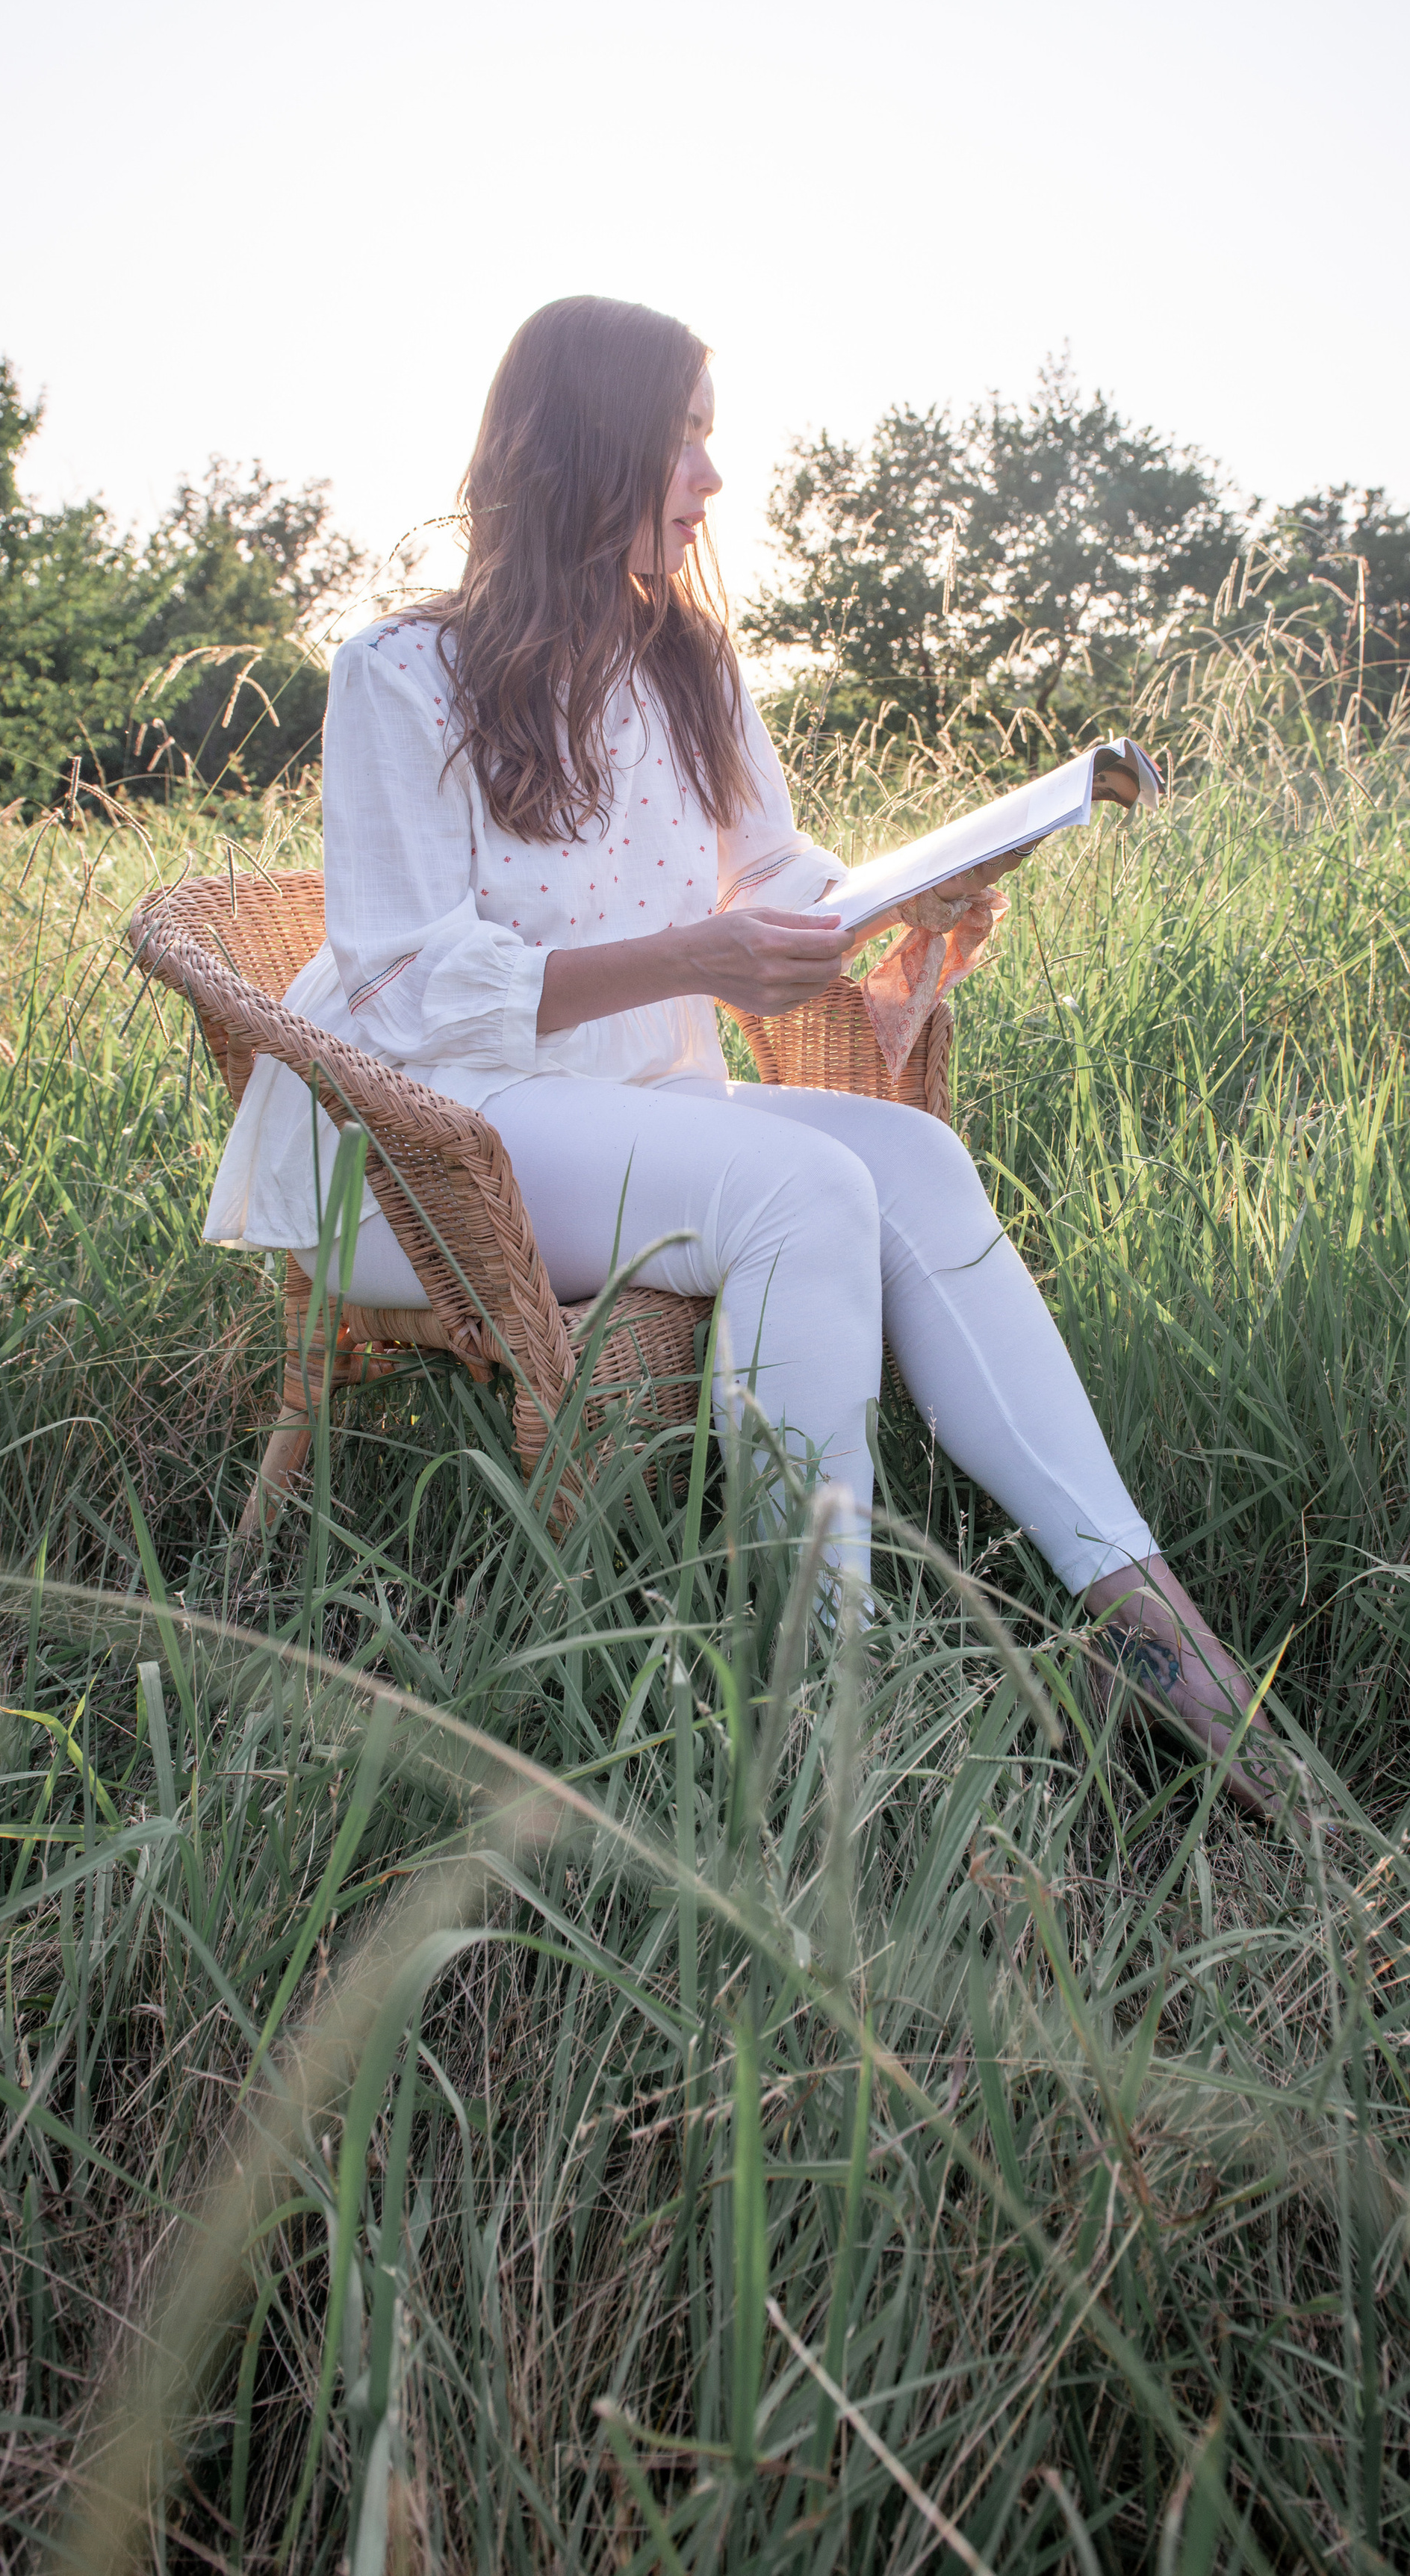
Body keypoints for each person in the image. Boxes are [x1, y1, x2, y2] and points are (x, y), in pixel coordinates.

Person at [204, 296, 1303, 1825]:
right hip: (416, 1150)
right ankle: (823, 1707)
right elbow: (392, 991)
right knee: (797, 1189)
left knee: (908, 1159)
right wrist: (681, 961)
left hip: (621, 1115)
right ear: (590, 443)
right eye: (688, 433)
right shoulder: (399, 673)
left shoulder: (686, 669)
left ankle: (1158, 1633)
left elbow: (779, 882)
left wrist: (911, 908)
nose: (714, 476)